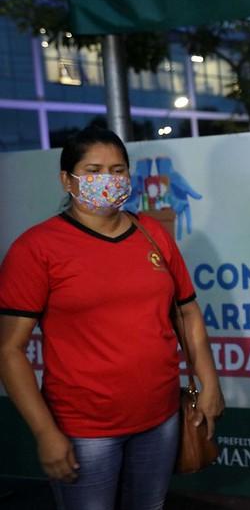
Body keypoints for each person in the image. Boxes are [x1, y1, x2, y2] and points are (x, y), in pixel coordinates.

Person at [0, 127, 224, 510]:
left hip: (160, 419)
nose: (108, 179)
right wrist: (45, 432)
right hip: (84, 431)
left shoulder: (153, 233)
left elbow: (187, 313)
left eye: (118, 170)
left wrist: (210, 382)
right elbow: (9, 351)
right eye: (93, 170)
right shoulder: (37, 248)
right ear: (66, 179)